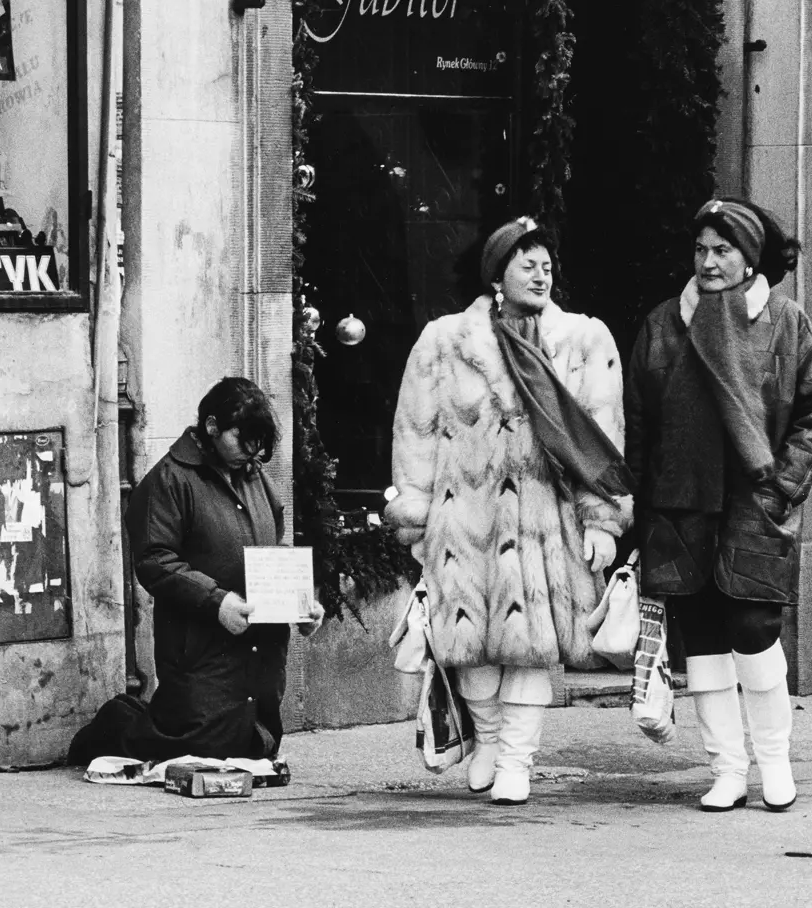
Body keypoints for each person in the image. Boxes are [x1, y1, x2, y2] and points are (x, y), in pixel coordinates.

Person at [386, 216, 634, 804]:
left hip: (546, 519)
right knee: (468, 644)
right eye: (528, 265)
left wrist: (601, 520)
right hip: (464, 519)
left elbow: (601, 439)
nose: (542, 275)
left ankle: (518, 760)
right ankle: (490, 739)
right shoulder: (444, 341)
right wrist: (418, 517)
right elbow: (416, 432)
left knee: (531, 645)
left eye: (548, 266)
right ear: (498, 274)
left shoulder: (582, 340)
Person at [624, 198, 812, 813]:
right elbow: (639, 422)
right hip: (680, 504)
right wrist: (640, 508)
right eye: (701, 250)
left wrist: (780, 488)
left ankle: (774, 761)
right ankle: (726, 769)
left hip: (752, 502)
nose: (709, 262)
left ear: (749, 259)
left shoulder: (785, 321)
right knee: (704, 639)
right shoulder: (665, 323)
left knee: (754, 627)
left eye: (723, 250)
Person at [67, 377, 325, 765]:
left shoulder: (257, 478)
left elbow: (276, 547)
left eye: (259, 442)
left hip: (261, 646)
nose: (253, 452)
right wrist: (216, 602)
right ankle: (116, 725)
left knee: (256, 741)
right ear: (211, 427)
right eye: (243, 439)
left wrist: (303, 602)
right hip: (202, 641)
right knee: (198, 745)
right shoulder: (170, 479)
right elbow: (154, 559)